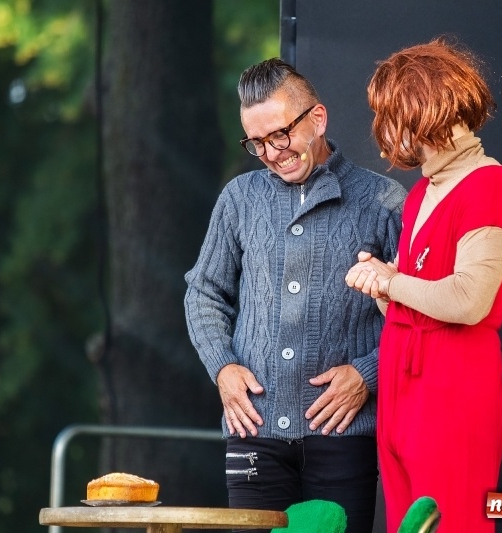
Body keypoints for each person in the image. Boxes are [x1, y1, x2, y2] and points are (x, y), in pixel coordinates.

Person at [184, 58, 406, 532]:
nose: (271, 152)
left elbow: (416, 316)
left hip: (345, 433)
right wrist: (222, 367)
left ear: (318, 119)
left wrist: (368, 375)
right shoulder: (239, 199)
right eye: (257, 142)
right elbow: (203, 292)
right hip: (254, 434)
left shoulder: (384, 201)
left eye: (280, 134)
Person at [345, 37, 502, 533]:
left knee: (455, 523)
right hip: (402, 387)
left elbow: (469, 300)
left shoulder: (489, 186)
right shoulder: (425, 187)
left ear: (423, 110)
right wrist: (383, 287)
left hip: (452, 389)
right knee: (409, 524)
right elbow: (412, 299)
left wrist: (391, 279)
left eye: (392, 115)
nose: (386, 132)